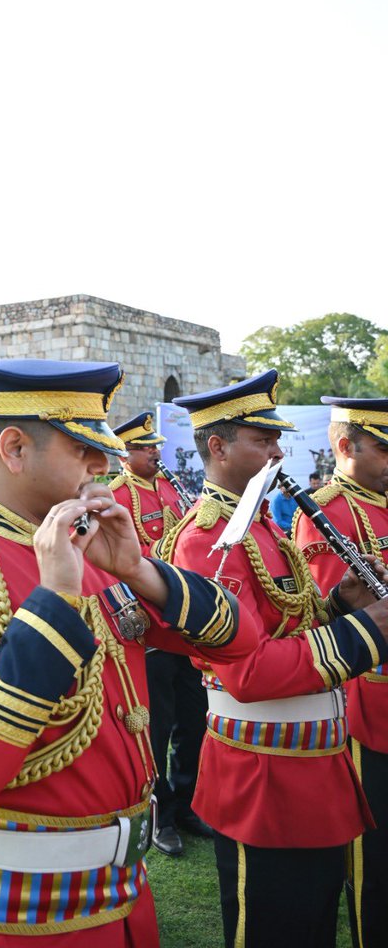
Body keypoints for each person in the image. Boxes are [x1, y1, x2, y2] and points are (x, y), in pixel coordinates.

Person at [0, 359, 261, 944]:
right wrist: (55, 600)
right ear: (13, 448)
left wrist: (137, 569)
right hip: (15, 917)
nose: (102, 464)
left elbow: (241, 639)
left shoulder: (92, 546)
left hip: (125, 898)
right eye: (82, 448)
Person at [156, 371, 388, 948]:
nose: (279, 451)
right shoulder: (207, 539)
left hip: (310, 765)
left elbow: (291, 625)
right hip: (263, 774)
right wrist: (366, 632)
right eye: (263, 440)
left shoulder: (261, 525)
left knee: (312, 920)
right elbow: (248, 671)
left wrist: (339, 604)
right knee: (273, 925)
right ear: (218, 446)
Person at [293, 396, 388, 948]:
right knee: (375, 860)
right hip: (367, 709)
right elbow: (343, 625)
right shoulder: (329, 511)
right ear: (344, 447)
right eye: (383, 449)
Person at [111, 411, 209, 857]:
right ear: (126, 453)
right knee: (158, 726)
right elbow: (123, 560)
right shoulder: (116, 495)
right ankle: (161, 817)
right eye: (147, 446)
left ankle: (187, 804)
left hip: (185, 625)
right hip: (149, 627)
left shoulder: (172, 487)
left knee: (194, 719)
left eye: (157, 445)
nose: (156, 451)